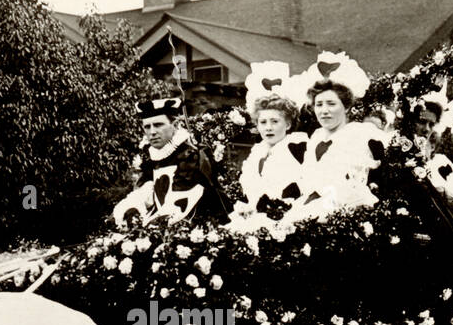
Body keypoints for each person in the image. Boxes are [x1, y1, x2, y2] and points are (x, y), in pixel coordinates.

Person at [284, 78, 386, 223]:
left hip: (346, 205)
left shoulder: (360, 132)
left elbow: (394, 145)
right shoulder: (317, 136)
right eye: (319, 105)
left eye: (331, 104)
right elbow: (309, 176)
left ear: (345, 107)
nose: (324, 111)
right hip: (312, 204)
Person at [113, 97, 226, 227]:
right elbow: (145, 192)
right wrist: (127, 210)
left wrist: (152, 225)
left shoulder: (190, 156)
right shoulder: (154, 158)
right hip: (169, 225)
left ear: (176, 125)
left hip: (199, 224)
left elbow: (181, 200)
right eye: (147, 127)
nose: (152, 132)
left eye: (158, 125)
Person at [227, 94, 308, 228]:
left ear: (288, 124)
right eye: (263, 122)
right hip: (254, 217)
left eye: (275, 121)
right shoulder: (257, 152)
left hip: (289, 219)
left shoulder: (298, 148)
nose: (268, 127)